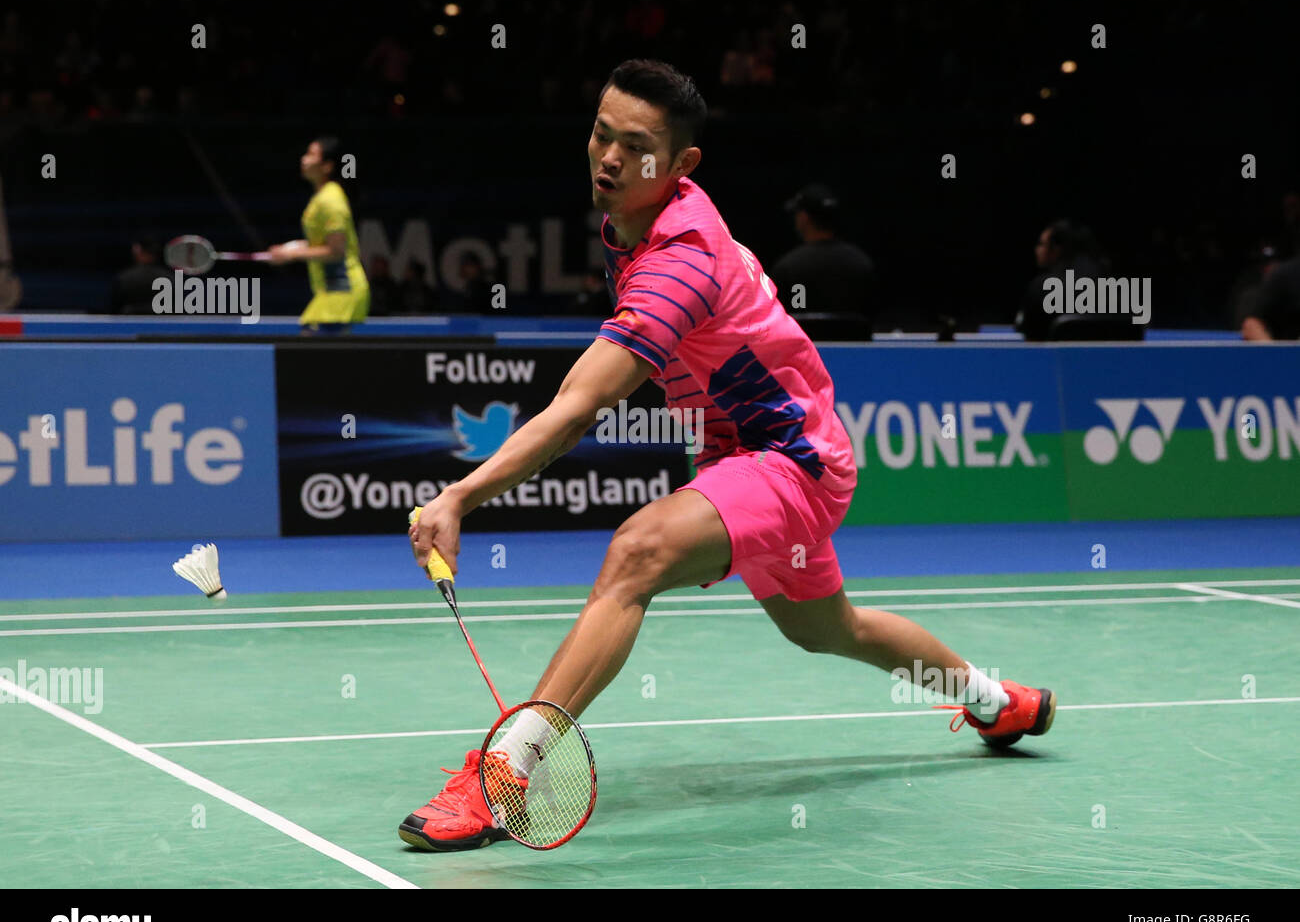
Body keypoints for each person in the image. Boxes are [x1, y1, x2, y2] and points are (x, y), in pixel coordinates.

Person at [401, 59, 1057, 853]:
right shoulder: (631, 224)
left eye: (636, 147)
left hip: (791, 459)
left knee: (636, 552)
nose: (610, 158)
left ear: (681, 166)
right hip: (748, 459)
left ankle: (505, 771)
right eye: (601, 134)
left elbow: (576, 408)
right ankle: (997, 701)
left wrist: (460, 496)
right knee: (830, 628)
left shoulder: (681, 260)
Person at [267, 136, 369, 331]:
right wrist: (291, 247)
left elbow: (336, 250)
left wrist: (292, 255)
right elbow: (321, 243)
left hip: (341, 288)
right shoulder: (322, 197)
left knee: (309, 352)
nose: (304, 159)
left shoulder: (330, 201)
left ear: (327, 167)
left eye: (311, 155)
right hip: (332, 289)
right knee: (326, 358)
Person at [769, 183, 875, 328]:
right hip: (857, 351)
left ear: (803, 218)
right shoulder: (862, 265)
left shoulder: (789, 268)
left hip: (805, 350)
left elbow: (785, 318)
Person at [1015, 219, 1106, 341]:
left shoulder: (1042, 288)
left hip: (1054, 360)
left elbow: (1026, 335)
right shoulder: (1116, 288)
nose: (1037, 250)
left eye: (1041, 244)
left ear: (1056, 249)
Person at [108, 236, 169, 314]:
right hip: (162, 326)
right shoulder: (171, 278)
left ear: (137, 250)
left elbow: (113, 312)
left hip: (128, 326)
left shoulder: (123, 279)